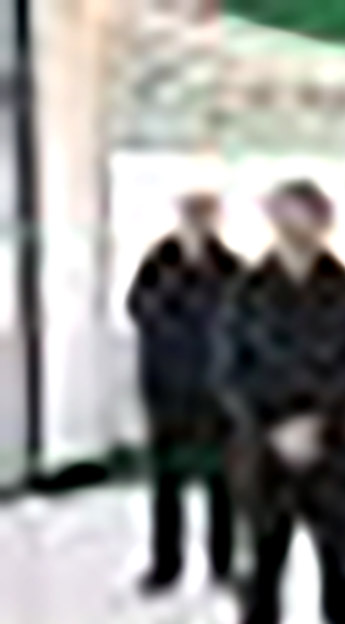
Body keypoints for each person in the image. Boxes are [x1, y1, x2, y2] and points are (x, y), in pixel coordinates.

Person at [214, 180, 345, 624]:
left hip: (337, 455)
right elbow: (230, 372)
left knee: (343, 570)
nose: (296, 229)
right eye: (286, 218)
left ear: (325, 224)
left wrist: (319, 423)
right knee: (261, 570)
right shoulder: (244, 292)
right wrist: (276, 426)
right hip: (266, 457)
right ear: (272, 222)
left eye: (307, 218)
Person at [126, 192, 242, 595]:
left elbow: (242, 322)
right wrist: (179, 284)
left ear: (216, 222)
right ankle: (166, 565)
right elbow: (139, 309)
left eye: (205, 217)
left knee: (222, 481)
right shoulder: (158, 264)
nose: (198, 225)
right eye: (191, 217)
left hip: (217, 390)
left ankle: (223, 565)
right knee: (166, 480)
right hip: (165, 386)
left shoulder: (231, 268)